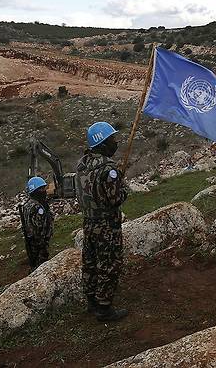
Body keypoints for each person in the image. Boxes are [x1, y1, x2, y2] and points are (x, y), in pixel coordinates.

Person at [76, 122, 129, 322]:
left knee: (89, 262)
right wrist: (123, 186)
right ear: (103, 143)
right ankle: (104, 308)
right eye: (112, 140)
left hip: (88, 222)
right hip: (107, 225)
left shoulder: (82, 164)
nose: (115, 143)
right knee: (109, 264)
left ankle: (91, 301)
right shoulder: (109, 168)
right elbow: (115, 199)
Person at [19, 176, 54, 271]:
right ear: (35, 191)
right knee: (41, 265)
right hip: (38, 242)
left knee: (35, 263)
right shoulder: (37, 207)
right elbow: (39, 227)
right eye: (41, 189)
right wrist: (43, 241)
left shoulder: (27, 204)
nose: (44, 191)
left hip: (31, 240)